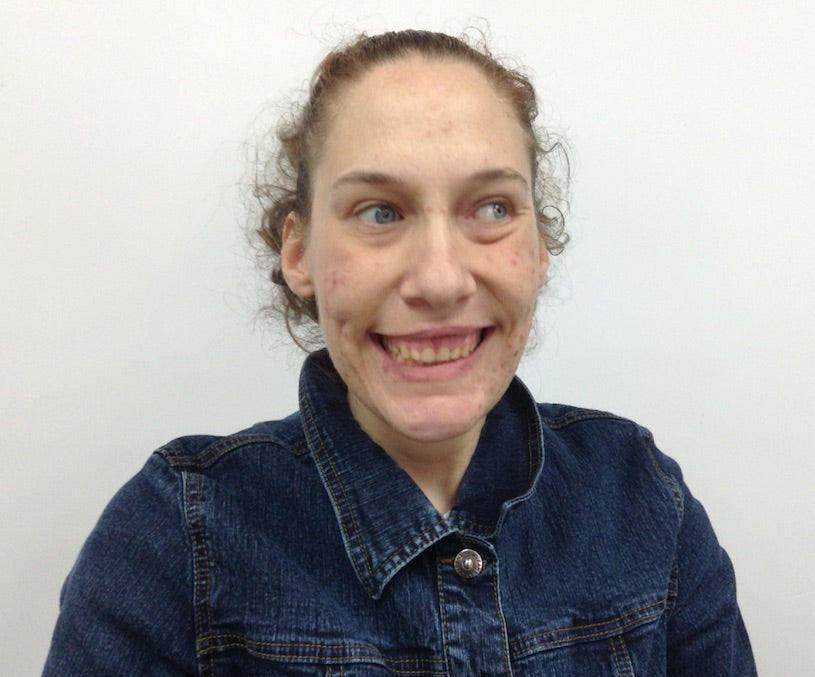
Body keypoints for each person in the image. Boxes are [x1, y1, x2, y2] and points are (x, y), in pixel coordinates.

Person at [43, 29, 756, 675]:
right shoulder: (176, 535)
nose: (441, 279)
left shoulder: (643, 499)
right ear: (299, 253)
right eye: (379, 212)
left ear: (537, 250)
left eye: (491, 208)